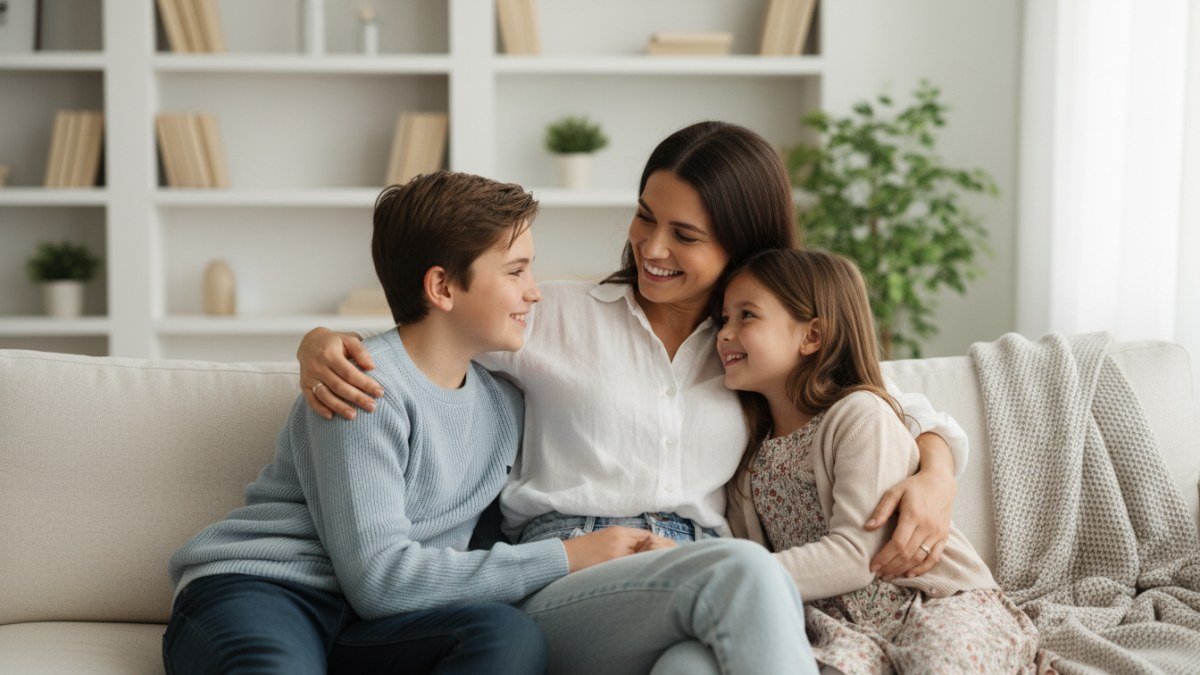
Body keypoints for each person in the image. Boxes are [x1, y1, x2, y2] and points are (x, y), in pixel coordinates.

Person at [296, 121, 968, 672]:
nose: (651, 246)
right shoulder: (557, 316)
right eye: (646, 216)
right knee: (744, 571)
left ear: (741, 247)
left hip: (700, 575)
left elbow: (880, 397)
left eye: (685, 235)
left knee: (691, 669)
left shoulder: (753, 346)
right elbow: (425, 332)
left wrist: (935, 469)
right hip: (571, 578)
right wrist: (320, 342)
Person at [163, 172, 680, 675]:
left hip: (376, 625)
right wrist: (568, 555)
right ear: (442, 287)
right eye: (516, 271)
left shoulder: (505, 405)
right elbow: (380, 580)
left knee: (506, 635)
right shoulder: (362, 385)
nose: (534, 292)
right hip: (269, 591)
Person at [719, 248, 1040, 673]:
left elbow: (856, 555)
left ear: (812, 336)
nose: (724, 334)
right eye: (724, 319)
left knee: (939, 662)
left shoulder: (859, 415)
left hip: (928, 601)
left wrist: (726, 574)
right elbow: (755, 555)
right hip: (841, 627)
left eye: (746, 316)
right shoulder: (749, 458)